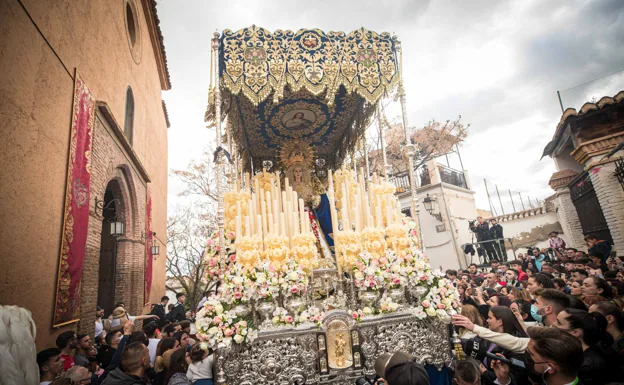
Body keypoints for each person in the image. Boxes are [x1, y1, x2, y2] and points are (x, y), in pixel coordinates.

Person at [554, 308, 622, 384]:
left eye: (558, 322)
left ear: (575, 332)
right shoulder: (594, 348)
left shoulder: (586, 365)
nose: (553, 325)